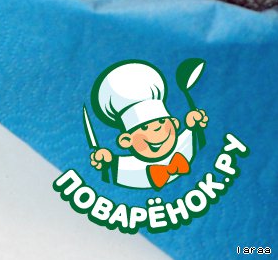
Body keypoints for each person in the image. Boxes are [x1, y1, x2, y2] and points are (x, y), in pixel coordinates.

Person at [89, 60, 208, 189]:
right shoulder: (126, 169)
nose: (157, 129)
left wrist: (194, 125)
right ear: (126, 140)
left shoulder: (186, 144)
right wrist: (106, 162)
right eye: (144, 127)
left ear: (175, 123)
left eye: (162, 121)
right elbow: (110, 172)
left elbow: (196, 140)